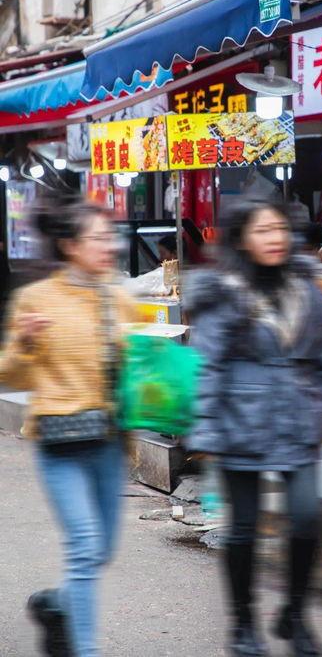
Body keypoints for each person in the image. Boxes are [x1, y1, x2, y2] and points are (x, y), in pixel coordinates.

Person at [184, 198, 322, 657]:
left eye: (278, 228)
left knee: (308, 518)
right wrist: (207, 429)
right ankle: (243, 624)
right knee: (245, 528)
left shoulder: (306, 288)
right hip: (241, 421)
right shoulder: (223, 291)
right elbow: (209, 365)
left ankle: (294, 615)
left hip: (298, 418)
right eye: (261, 230)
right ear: (241, 239)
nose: (274, 238)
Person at [0, 198, 138, 657]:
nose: (109, 246)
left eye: (110, 236)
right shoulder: (36, 299)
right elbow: (10, 374)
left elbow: (137, 368)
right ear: (70, 245)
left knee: (102, 551)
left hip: (109, 443)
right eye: (98, 238)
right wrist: (24, 341)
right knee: (84, 546)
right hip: (59, 444)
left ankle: (55, 605)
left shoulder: (120, 298)